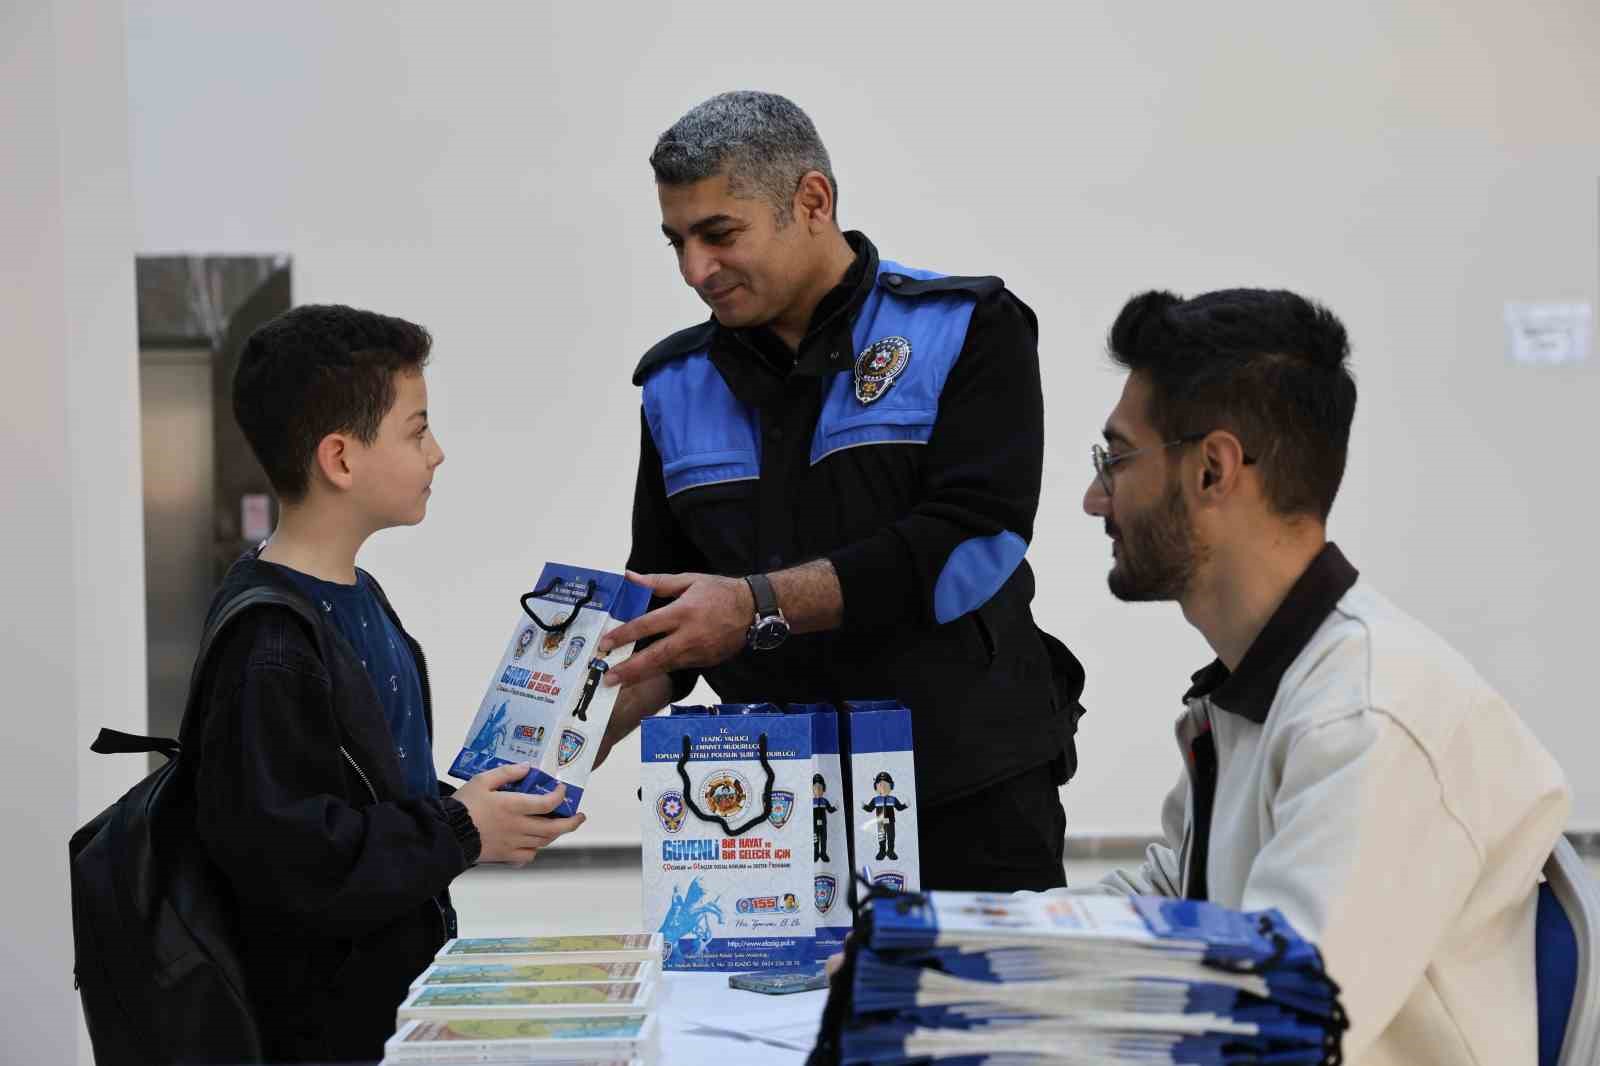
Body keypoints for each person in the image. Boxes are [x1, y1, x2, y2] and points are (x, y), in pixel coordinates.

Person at [594, 90, 1086, 892]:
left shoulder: (967, 326)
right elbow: (671, 606)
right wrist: (565, 735)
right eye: (676, 241)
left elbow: (971, 545)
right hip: (761, 813)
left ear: (813, 202)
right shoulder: (673, 384)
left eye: (720, 234)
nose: (694, 270)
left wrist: (754, 604)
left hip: (966, 794)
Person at [1069, 287, 1570, 1064]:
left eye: (1118, 458)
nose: (1094, 497)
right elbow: (1159, 911)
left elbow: (1276, 1036)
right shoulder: (1263, 691)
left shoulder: (1368, 718)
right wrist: (935, 954)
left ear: (1212, 471)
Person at [191, 305, 586, 1062]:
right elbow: (294, 861)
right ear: (340, 459)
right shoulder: (270, 641)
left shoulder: (359, 596)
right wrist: (460, 829)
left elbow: (370, 797)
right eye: (417, 430)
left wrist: (479, 812)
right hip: (322, 1037)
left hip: (393, 1007)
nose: (437, 452)